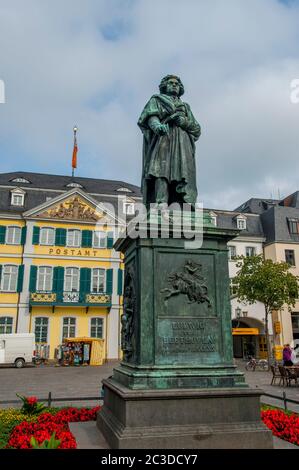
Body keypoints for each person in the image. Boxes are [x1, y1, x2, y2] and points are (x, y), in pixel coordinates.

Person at [138, 75, 201, 208]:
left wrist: (184, 122)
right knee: (161, 170)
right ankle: (161, 203)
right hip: (163, 139)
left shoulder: (185, 107)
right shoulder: (156, 100)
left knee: (181, 174)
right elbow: (151, 117)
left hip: (183, 145)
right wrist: (157, 127)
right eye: (171, 83)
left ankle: (181, 205)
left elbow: (197, 129)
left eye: (177, 84)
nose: (174, 85)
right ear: (164, 86)